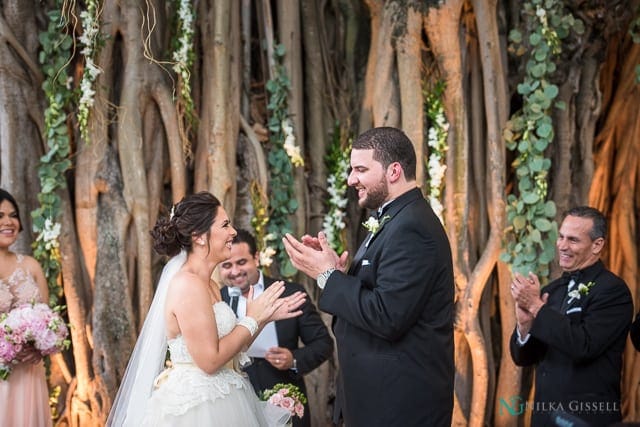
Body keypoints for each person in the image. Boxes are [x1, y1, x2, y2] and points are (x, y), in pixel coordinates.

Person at [282, 127, 455, 426]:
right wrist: (336, 272)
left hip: (400, 407)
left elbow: (387, 316)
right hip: (378, 400)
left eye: (361, 169)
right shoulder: (394, 220)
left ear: (394, 171)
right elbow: (379, 295)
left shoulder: (412, 228)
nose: (351, 180)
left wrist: (326, 276)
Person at [107, 192, 306, 426]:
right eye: (224, 225)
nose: (233, 231)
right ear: (199, 237)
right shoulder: (187, 285)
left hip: (225, 394)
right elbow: (210, 361)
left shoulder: (210, 283)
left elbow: (232, 346)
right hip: (199, 407)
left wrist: (262, 318)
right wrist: (251, 318)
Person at [510, 206, 633, 426]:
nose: (562, 246)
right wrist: (525, 325)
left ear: (597, 245)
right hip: (544, 417)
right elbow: (524, 358)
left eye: (573, 240)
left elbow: (583, 346)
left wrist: (537, 308)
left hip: (587, 417)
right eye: (561, 237)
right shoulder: (553, 290)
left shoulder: (613, 291)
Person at [219, 229, 334, 427]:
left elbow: (324, 343)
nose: (235, 271)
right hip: (233, 403)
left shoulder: (290, 292)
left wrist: (294, 359)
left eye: (241, 262)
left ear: (256, 257)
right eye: (227, 265)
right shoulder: (217, 300)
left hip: (284, 398)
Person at [0, 189, 52, 427]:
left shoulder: (31, 266)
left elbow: (50, 321)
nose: (8, 222)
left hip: (28, 374)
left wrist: (40, 348)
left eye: (13, 215)